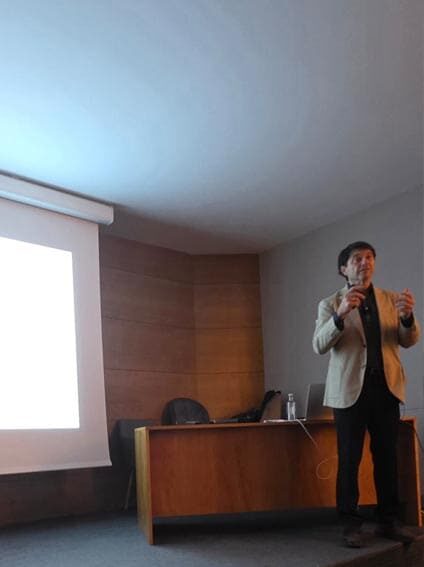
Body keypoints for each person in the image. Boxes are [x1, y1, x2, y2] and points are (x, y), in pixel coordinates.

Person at [312, 241, 420, 548]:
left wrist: (407, 318)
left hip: (385, 388)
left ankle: (388, 521)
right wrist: (340, 315)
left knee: (387, 458)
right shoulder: (330, 303)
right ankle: (350, 524)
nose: (365, 262)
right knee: (349, 459)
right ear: (343, 269)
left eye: (370, 257)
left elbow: (408, 340)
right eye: (357, 259)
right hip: (349, 391)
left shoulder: (390, 299)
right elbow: (319, 345)